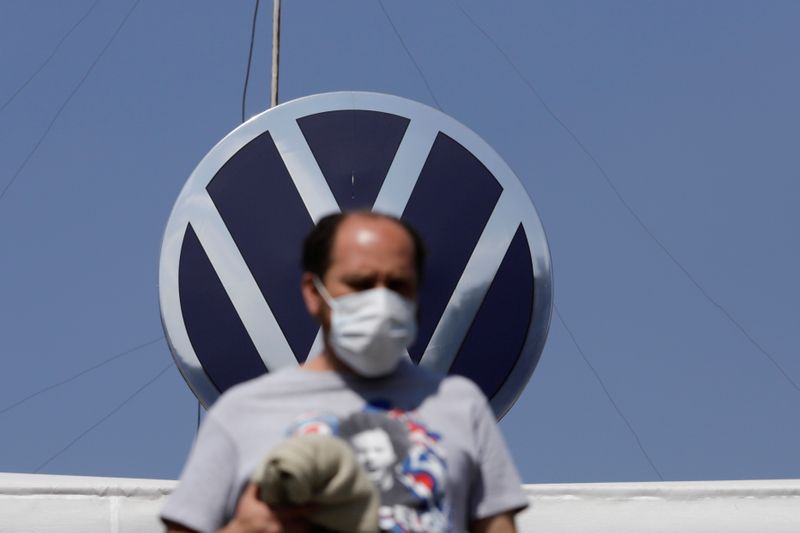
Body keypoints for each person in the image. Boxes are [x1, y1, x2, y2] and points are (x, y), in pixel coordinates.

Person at [161, 211, 528, 533]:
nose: (381, 301)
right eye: (360, 284)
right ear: (313, 292)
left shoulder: (461, 405)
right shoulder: (241, 412)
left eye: (398, 285)